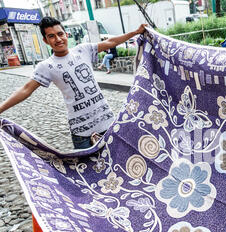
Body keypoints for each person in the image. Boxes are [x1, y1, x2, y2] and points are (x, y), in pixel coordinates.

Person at [0, 17, 147, 150]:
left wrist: (135, 32)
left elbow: (111, 42)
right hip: (81, 134)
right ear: (45, 40)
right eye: (51, 36)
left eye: (60, 34)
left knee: (120, 164)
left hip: (108, 124)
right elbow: (26, 90)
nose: (58, 39)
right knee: (91, 175)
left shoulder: (83, 50)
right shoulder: (46, 66)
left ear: (66, 34)